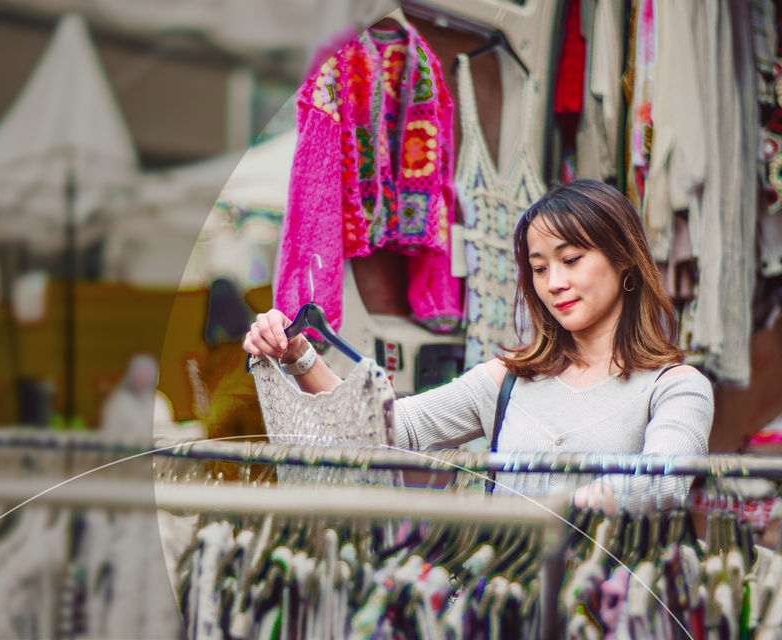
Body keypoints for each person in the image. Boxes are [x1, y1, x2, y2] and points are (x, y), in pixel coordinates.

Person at [243, 180, 714, 514]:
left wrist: (555, 507)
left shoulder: (676, 388)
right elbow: (382, 430)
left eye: (571, 259)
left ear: (625, 261)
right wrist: (298, 355)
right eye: (540, 267)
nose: (555, 283)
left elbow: (664, 482)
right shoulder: (508, 379)